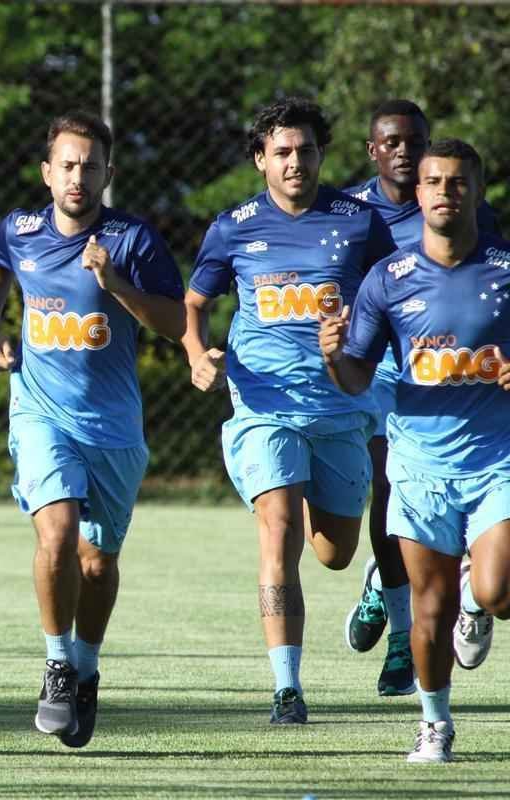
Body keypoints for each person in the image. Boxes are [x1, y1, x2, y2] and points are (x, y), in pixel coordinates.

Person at [182, 97, 396, 725]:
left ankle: (366, 569)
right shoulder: (233, 226)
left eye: (305, 149)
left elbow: (393, 295)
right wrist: (198, 354)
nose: (295, 161)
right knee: (277, 531)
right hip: (263, 406)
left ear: (321, 154)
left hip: (340, 406)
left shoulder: (360, 223)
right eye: (281, 151)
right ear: (260, 160)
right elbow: (193, 305)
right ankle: (286, 688)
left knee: (333, 552)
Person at [0, 110, 185, 747]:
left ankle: (88, 665)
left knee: (97, 564)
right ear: (47, 172)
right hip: (41, 414)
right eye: (66, 165)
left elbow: (176, 323)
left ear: (107, 174)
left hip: (113, 427)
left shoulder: (132, 241)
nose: (77, 176)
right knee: (59, 531)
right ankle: (58, 663)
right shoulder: (19, 229)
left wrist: (114, 283)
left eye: (89, 166)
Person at [321, 139, 510, 763]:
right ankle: (435, 725)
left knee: (500, 588)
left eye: (458, 182)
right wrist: (333, 354)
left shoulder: (507, 268)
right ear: (420, 192)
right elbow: (355, 377)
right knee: (430, 606)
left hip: (497, 459)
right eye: (434, 182)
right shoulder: (388, 279)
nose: (444, 193)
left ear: (475, 191)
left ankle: (479, 600)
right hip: (421, 465)